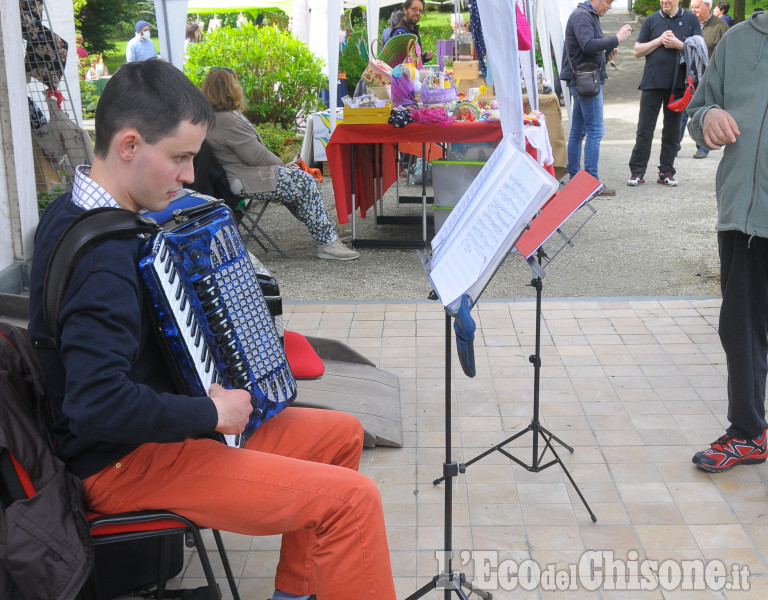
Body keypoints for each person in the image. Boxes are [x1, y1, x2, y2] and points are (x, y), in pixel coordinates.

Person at [26, 59, 395, 600]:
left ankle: (296, 593)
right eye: (179, 158)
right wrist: (209, 412)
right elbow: (95, 404)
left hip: (162, 429)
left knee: (340, 435)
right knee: (352, 501)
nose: (190, 176)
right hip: (124, 462)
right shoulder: (102, 261)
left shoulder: (77, 208)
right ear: (128, 145)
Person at [687, 10, 768, 473]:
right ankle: (748, 432)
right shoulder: (737, 40)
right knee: (739, 330)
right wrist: (709, 115)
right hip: (742, 215)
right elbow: (698, 111)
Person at [200, 68, 359, 261]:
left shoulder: (222, 116)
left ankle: (326, 230)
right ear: (227, 88)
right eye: (235, 82)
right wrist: (282, 164)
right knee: (304, 182)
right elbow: (255, 155)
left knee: (299, 182)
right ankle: (327, 243)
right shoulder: (225, 119)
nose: (239, 86)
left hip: (246, 174)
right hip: (243, 178)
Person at [559, 0, 633, 196]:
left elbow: (586, 49)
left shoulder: (584, 14)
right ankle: (590, 183)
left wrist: (605, 56)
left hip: (582, 79)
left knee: (578, 131)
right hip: (586, 81)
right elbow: (588, 45)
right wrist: (616, 38)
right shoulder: (583, 15)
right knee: (595, 130)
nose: (609, 7)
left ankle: (575, 178)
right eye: (608, 2)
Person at [626, 0, 700, 188]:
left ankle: (666, 171)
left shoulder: (691, 19)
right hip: (652, 83)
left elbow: (699, 50)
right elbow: (637, 51)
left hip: (678, 85)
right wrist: (659, 40)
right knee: (644, 129)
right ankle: (637, 171)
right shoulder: (651, 21)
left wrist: (679, 44)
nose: (664, 1)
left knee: (672, 131)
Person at [680, 0, 728, 159]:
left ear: (707, 6)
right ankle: (674, 145)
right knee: (683, 110)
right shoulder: (687, 22)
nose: (693, 10)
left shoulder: (720, 26)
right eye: (691, 7)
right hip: (688, 74)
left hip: (708, 76)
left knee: (702, 110)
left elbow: (726, 51)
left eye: (696, 7)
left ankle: (702, 147)